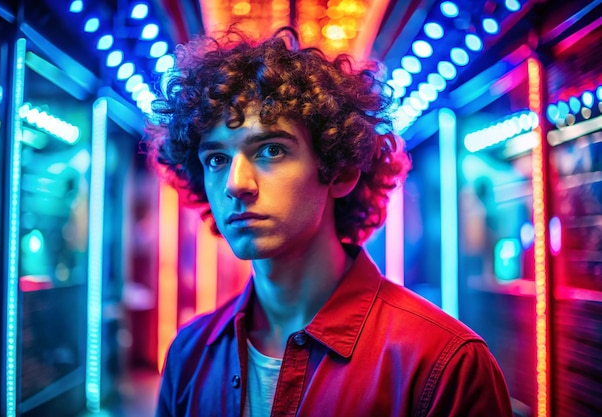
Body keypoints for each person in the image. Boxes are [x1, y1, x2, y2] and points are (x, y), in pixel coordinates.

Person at [145, 26, 513, 417]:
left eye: (271, 150)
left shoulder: (443, 364)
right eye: (216, 159)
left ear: (339, 172)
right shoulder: (188, 354)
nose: (235, 184)